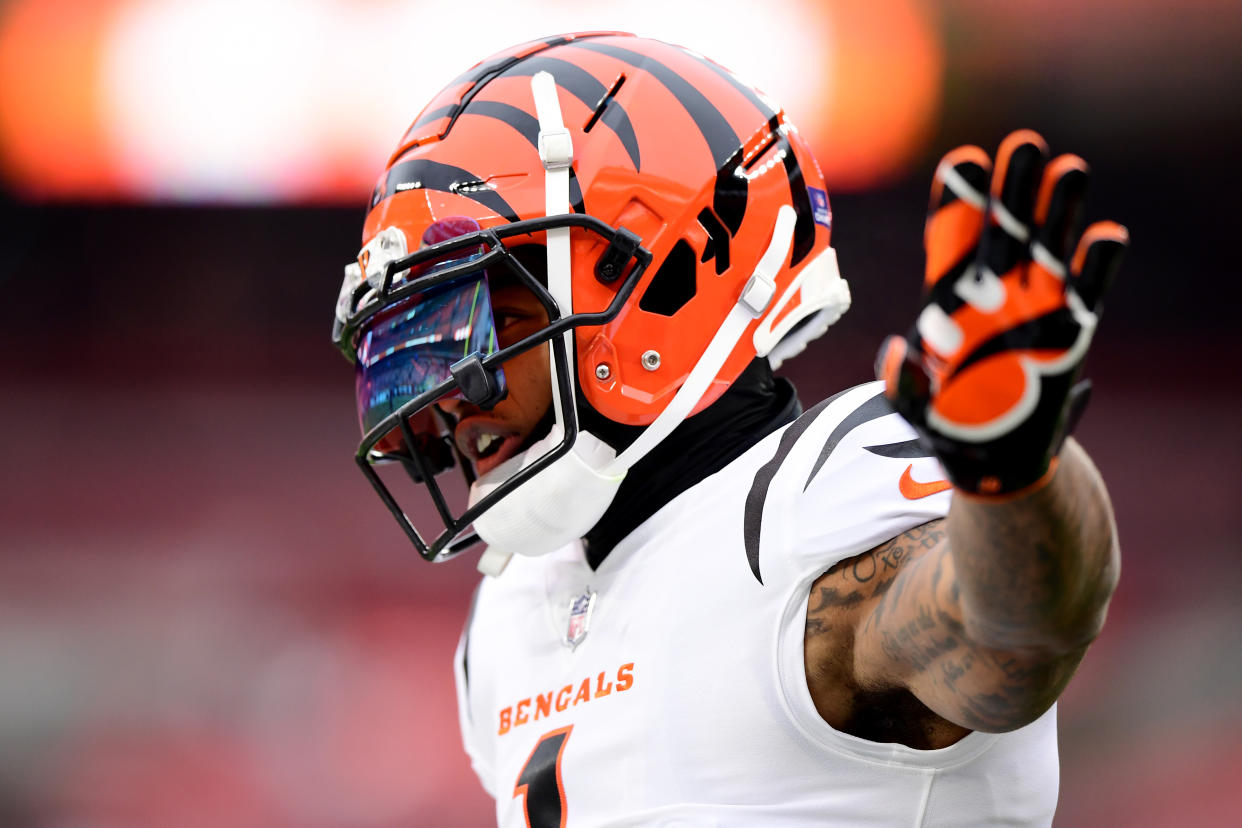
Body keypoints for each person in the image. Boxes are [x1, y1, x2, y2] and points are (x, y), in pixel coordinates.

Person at [332, 32, 1127, 827]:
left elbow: (1019, 627)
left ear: (666, 274)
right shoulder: (510, 620)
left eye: (478, 322)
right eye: (410, 350)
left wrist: (1014, 471)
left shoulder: (806, 506)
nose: (443, 403)